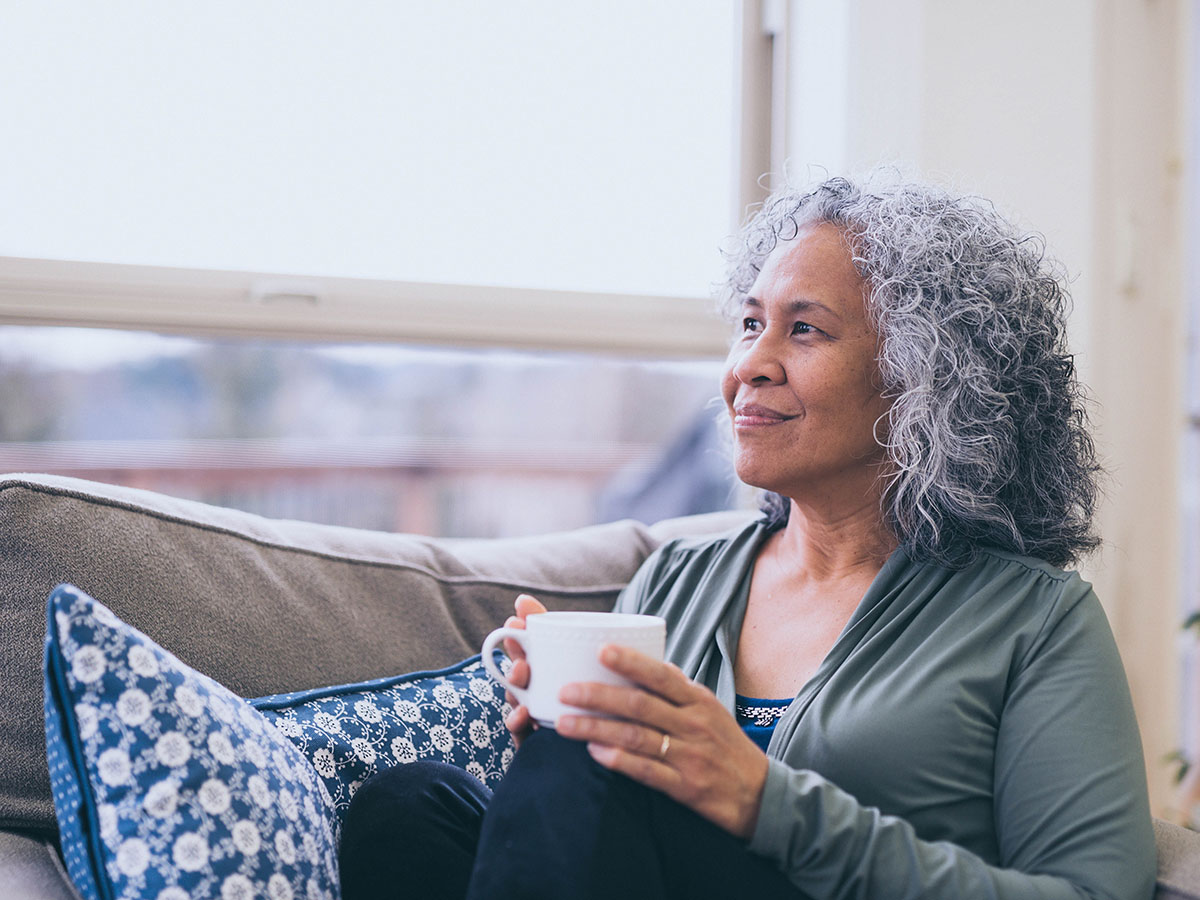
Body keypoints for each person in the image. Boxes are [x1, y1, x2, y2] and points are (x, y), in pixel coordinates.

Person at [338, 171, 1157, 899]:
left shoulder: (1034, 622)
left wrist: (769, 804)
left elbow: (1095, 891)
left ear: (925, 382)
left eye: (805, 330)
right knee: (410, 808)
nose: (750, 365)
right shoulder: (676, 579)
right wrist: (557, 738)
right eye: (750, 323)